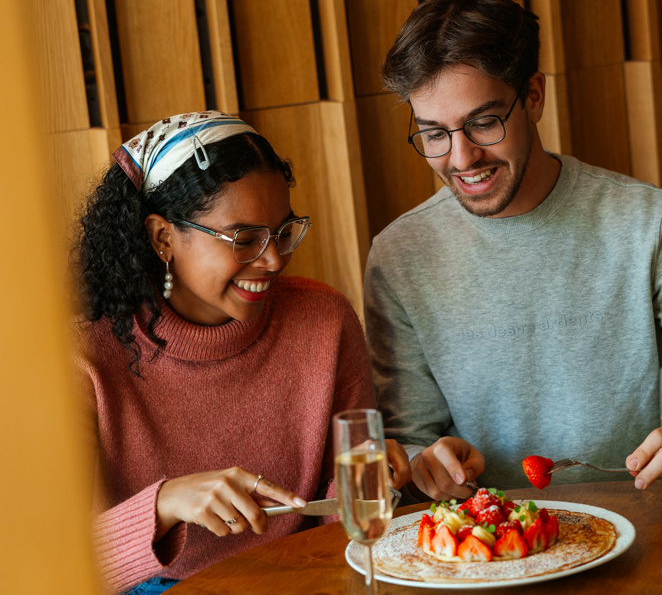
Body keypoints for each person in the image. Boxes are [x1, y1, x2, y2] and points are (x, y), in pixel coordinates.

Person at [365, 0, 662, 501]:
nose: (460, 159)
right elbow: (411, 440)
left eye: (484, 123)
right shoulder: (398, 257)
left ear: (534, 96)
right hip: (490, 551)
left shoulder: (648, 223)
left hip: (648, 536)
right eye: (435, 134)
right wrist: (424, 462)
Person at [74, 111, 410, 594]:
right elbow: (53, 562)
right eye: (245, 239)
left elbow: (343, 516)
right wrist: (165, 503)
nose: (273, 259)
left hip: (306, 575)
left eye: (282, 231)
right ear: (163, 237)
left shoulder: (325, 320)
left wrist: (372, 485)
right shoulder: (84, 358)